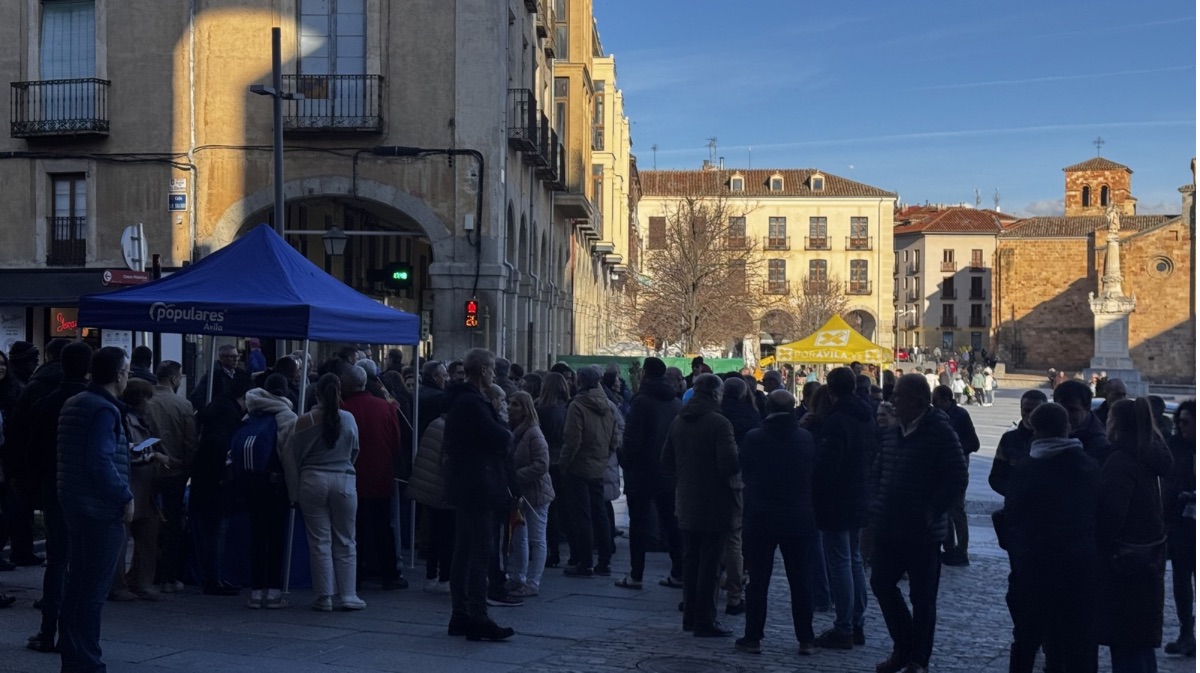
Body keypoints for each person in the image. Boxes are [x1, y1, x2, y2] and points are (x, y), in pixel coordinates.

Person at [869, 373, 968, 673]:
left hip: (922, 531)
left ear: (917, 399)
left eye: (899, 395)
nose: (893, 399)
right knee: (881, 584)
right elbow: (878, 470)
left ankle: (917, 660)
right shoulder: (892, 431)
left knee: (923, 599)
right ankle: (904, 645)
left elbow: (957, 476)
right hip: (889, 525)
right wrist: (875, 503)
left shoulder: (939, 430)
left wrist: (933, 510)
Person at [1004, 403, 1100, 673]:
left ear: (1035, 431)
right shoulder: (1088, 467)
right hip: (1077, 572)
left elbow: (1013, 517)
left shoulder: (1026, 470)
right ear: (1067, 428)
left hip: (1034, 571)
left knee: (1025, 642)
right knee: (1077, 645)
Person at [55, 346, 133, 673]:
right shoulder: (105, 410)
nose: (127, 377)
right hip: (99, 509)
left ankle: (74, 657)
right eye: (126, 371)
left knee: (77, 584)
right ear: (118, 375)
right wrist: (124, 495)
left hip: (75, 503)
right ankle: (88, 661)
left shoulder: (75, 402)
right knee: (92, 591)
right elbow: (98, 460)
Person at [734, 390, 817, 655]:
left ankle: (753, 636)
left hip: (761, 515)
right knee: (801, 580)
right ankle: (806, 638)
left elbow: (743, 467)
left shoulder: (754, 438)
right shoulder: (805, 438)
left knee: (758, 580)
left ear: (766, 409)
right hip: (798, 516)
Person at [441, 348, 515, 642]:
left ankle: (461, 615)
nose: (494, 374)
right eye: (492, 368)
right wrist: (504, 425)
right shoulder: (473, 402)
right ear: (483, 370)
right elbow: (501, 437)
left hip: (468, 482)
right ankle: (477, 615)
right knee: (478, 552)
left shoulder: (464, 400)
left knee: (464, 551)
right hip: (478, 484)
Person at [1097, 397, 1173, 673]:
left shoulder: (1120, 460)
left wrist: (1099, 547)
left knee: (1126, 642)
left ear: (1115, 424)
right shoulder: (1148, 456)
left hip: (1124, 563)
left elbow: (1111, 513)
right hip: (1148, 558)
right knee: (1139, 643)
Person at [25, 342, 92, 653]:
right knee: (82, 562)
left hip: (54, 486)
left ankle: (49, 629)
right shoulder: (99, 404)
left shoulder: (45, 401)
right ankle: (74, 633)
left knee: (58, 559)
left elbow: (32, 449)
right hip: (88, 489)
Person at [662, 373, 740, 638]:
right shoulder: (719, 423)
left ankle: (690, 617)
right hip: (714, 501)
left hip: (686, 500)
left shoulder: (678, 422)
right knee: (710, 563)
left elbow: (666, 461)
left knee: (691, 560)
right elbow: (729, 463)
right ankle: (705, 618)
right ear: (716, 394)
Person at [281, 372, 364, 612]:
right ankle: (348, 594)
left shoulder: (303, 421)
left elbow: (293, 454)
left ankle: (324, 595)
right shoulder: (348, 418)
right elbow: (354, 450)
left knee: (319, 540)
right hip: (344, 478)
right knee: (346, 539)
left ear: (315, 394)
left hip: (312, 479)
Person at [813, 367, 874, 650]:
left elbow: (827, 466)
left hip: (837, 499)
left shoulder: (837, 421)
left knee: (839, 563)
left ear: (831, 389)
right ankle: (857, 622)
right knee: (854, 561)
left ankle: (844, 627)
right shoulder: (866, 415)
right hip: (859, 495)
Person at [614, 357, 682, 590]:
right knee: (671, 523)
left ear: (645, 373)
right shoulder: (675, 402)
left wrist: (625, 460)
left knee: (639, 525)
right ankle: (678, 571)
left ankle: (636, 574)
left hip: (641, 471)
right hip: (667, 472)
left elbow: (631, 439)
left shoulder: (641, 401)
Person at [340, 364, 406, 591]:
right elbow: (396, 442)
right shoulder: (385, 408)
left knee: (353, 527)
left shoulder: (343, 408)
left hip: (351, 474)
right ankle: (389, 573)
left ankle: (355, 574)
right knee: (383, 526)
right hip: (380, 473)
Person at [239, 374, 298, 609]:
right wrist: (294, 492)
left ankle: (255, 591)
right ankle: (273, 591)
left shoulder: (251, 411)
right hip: (276, 484)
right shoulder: (287, 416)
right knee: (276, 538)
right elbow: (289, 458)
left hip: (253, 482)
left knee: (256, 536)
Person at [140, 360, 196, 594]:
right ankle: (169, 575)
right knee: (173, 523)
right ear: (174, 379)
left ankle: (146, 573)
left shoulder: (145, 401)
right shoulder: (183, 405)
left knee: (146, 524)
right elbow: (190, 443)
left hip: (146, 470)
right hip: (175, 471)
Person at [559, 366, 619, 577]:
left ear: (581, 381)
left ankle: (585, 562)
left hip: (578, 465)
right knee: (600, 513)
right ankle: (604, 561)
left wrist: (564, 464)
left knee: (582, 516)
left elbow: (572, 439)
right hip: (598, 464)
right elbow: (615, 435)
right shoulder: (607, 404)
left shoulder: (577, 405)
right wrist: (605, 454)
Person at [114, 378, 164, 600]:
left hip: (145, 485)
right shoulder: (124, 418)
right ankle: (119, 585)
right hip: (132, 483)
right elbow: (128, 450)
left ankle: (139, 580)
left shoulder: (140, 418)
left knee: (147, 534)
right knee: (123, 538)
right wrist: (152, 454)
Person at [505, 391, 554, 597]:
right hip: (521, 494)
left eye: (515, 404)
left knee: (536, 537)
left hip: (536, 493)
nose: (510, 408)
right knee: (519, 536)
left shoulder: (534, 433)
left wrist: (516, 476)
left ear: (525, 409)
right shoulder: (515, 430)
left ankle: (533, 582)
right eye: (510, 403)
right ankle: (518, 577)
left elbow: (542, 464)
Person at [931, 385, 980, 567]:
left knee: (957, 508)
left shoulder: (959, 415)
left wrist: (954, 452)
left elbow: (974, 443)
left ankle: (961, 550)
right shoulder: (937, 415)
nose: (933, 404)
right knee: (945, 507)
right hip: (941, 467)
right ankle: (949, 547)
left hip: (956, 466)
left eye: (935, 401)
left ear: (946, 400)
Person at [1163, 399, 1196, 657]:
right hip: (1180, 524)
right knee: (1181, 581)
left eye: (1187, 422)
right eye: (1180, 422)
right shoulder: (1175, 446)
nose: (1182, 427)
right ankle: (1187, 633)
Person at [535, 372, 570, 569]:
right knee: (559, 508)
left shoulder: (542, 410)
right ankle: (558, 551)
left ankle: (551, 550)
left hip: (546, 461)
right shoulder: (567, 408)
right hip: (561, 462)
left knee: (547, 509)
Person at [1053, 380, 1111, 466]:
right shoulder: (1045, 432)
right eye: (1061, 409)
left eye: (1072, 410)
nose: (1066, 415)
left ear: (1087, 409)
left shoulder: (1100, 445)